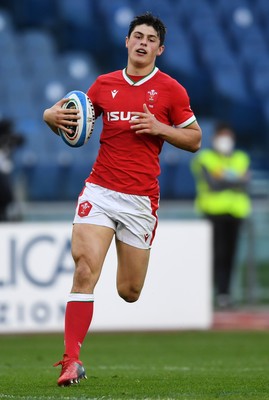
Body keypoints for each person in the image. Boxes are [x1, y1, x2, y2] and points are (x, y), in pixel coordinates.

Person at [43, 12, 202, 386]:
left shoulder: (171, 91)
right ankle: (71, 360)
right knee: (84, 270)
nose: (143, 42)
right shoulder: (103, 84)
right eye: (137, 36)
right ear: (127, 42)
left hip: (140, 200)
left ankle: (76, 353)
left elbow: (194, 139)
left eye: (150, 38)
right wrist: (51, 114)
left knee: (129, 291)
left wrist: (160, 128)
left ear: (160, 49)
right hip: (99, 190)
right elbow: (70, 115)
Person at [191, 122, 251, 309]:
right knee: (215, 255)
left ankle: (224, 294)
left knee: (230, 256)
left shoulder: (241, 157)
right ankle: (206, 294)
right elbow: (213, 184)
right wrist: (234, 178)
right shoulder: (205, 158)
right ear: (214, 138)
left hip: (235, 213)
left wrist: (224, 177)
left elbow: (244, 183)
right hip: (213, 213)